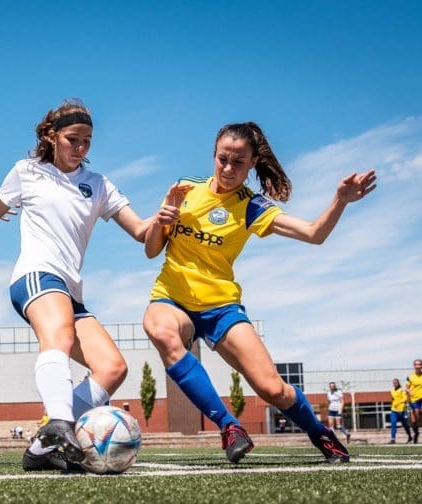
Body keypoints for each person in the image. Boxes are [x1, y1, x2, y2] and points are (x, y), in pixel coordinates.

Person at [0, 99, 180, 471]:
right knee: (59, 338)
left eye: (87, 141)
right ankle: (61, 426)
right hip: (35, 276)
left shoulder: (98, 185)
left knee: (112, 367)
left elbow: (142, 234)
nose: (80, 148)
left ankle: (40, 447)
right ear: (52, 136)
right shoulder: (27, 171)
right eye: (72, 139)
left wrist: (162, 217)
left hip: (70, 291)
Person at [142, 121, 376, 464]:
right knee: (160, 330)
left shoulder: (252, 206)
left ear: (252, 163)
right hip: (172, 297)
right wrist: (161, 221)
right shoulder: (184, 189)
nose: (228, 168)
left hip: (221, 307)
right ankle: (229, 426)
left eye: (238, 162)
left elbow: (314, 233)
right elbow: (151, 250)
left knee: (272, 389)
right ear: (213, 154)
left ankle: (320, 433)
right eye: (223, 159)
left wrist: (339, 201)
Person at [389, 378, 413, 444]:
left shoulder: (402, 390)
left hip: (401, 410)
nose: (395, 383)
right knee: (393, 423)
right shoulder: (392, 391)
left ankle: (410, 437)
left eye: (396, 382)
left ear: (398, 383)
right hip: (393, 410)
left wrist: (398, 403)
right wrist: (393, 404)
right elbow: (392, 399)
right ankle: (393, 439)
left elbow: (404, 399)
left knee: (405, 425)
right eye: (393, 382)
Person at [405, 358, 422, 444]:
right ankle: (416, 433)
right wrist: (409, 391)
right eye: (416, 364)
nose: (417, 366)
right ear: (414, 366)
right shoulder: (410, 377)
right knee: (414, 421)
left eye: (419, 364)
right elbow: (406, 388)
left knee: (418, 411)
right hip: (413, 399)